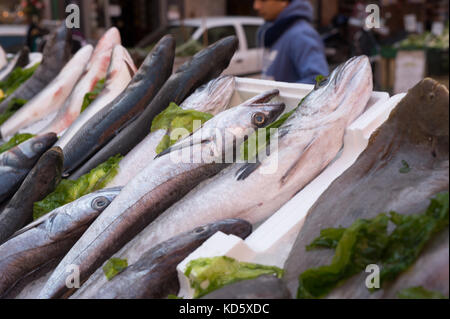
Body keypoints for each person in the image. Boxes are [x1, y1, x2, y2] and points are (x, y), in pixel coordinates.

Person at [254, 0, 329, 84]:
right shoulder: (276, 31)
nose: (256, 6)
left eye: (263, 1)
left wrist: (281, 93)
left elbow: (318, 80)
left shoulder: (301, 34)